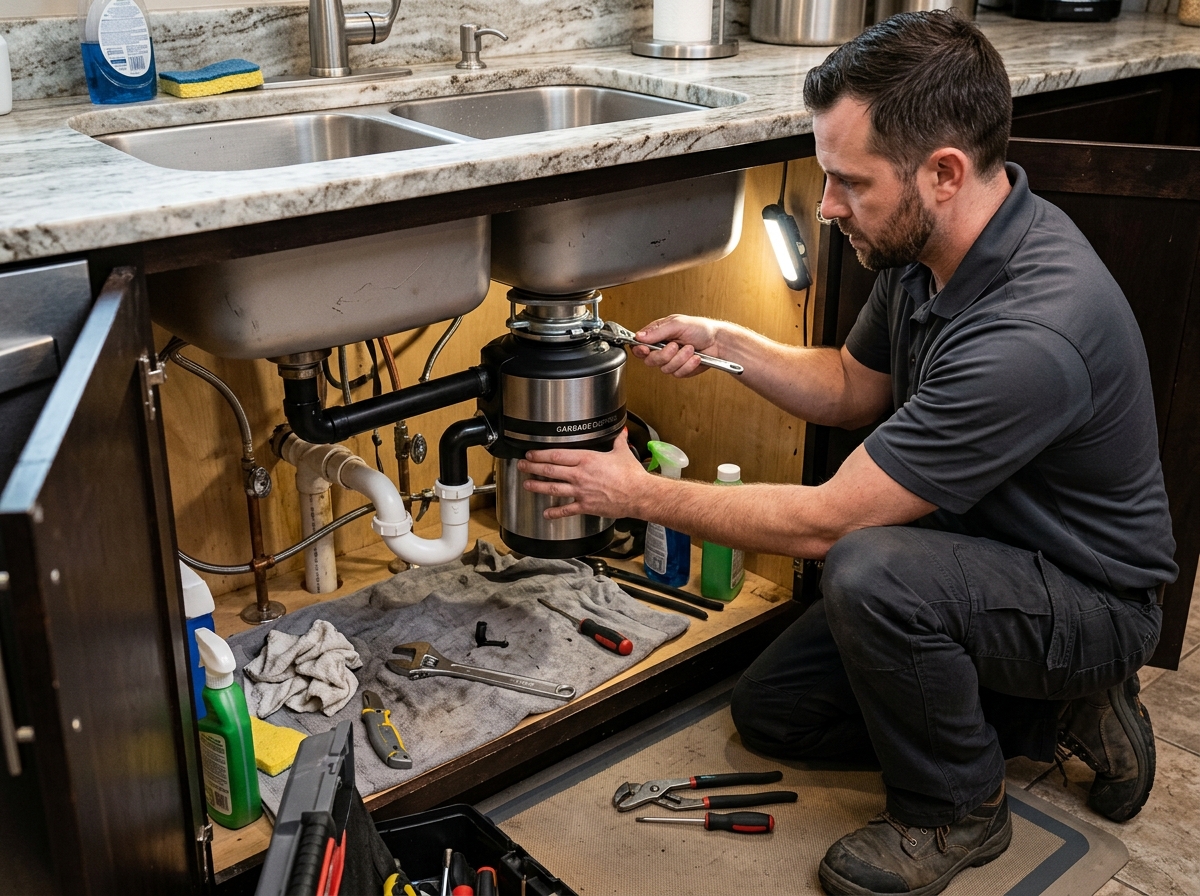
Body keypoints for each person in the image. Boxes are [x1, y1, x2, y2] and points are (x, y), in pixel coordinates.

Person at [517, 10, 1177, 896]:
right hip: (973, 552)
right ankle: (1043, 707)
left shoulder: (1029, 330)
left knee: (868, 570)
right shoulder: (928, 243)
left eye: (846, 183)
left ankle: (959, 809)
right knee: (774, 715)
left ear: (942, 172)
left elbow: (831, 524)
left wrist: (637, 494)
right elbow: (850, 383)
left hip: (1087, 594)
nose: (827, 208)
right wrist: (726, 342)